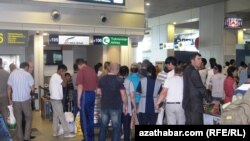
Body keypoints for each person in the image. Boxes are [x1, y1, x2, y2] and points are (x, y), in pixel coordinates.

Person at [97, 63, 128, 141]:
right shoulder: (119, 80)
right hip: (116, 107)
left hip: (104, 106)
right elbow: (123, 94)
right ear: (117, 70)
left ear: (109, 69)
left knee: (103, 127)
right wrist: (126, 105)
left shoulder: (102, 79)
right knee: (116, 128)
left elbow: (98, 92)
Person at [7, 62, 35, 141]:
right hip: (25, 100)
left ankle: (20, 138)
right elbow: (33, 88)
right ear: (26, 67)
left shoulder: (12, 74)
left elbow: (8, 87)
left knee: (18, 120)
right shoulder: (27, 75)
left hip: (15, 101)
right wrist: (30, 89)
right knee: (28, 118)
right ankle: (26, 137)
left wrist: (9, 99)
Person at [183, 53, 211, 125]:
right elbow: (200, 87)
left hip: (188, 104)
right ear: (192, 60)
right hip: (194, 105)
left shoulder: (187, 70)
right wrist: (210, 99)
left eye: (201, 59)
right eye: (198, 59)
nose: (201, 61)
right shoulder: (193, 71)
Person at [49, 64, 75, 138]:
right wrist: (64, 77)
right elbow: (64, 85)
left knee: (56, 116)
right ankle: (67, 133)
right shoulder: (57, 76)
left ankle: (54, 132)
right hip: (56, 100)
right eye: (64, 72)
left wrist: (63, 76)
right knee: (62, 116)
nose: (64, 73)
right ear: (61, 70)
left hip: (54, 99)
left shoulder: (54, 76)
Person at [76, 58, 98, 141]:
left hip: (85, 95)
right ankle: (91, 138)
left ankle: (87, 138)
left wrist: (78, 100)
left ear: (79, 65)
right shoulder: (92, 70)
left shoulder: (81, 71)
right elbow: (97, 84)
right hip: (92, 94)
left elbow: (80, 86)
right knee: (90, 118)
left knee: (84, 119)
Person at [119, 66, 136, 141]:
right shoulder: (129, 82)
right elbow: (132, 96)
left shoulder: (116, 81)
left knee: (117, 125)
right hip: (127, 106)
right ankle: (126, 139)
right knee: (126, 126)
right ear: (128, 72)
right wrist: (135, 107)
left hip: (116, 105)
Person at [0, 58, 9, 123]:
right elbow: (9, 86)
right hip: (4, 96)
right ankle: (6, 129)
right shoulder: (7, 73)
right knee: (5, 113)